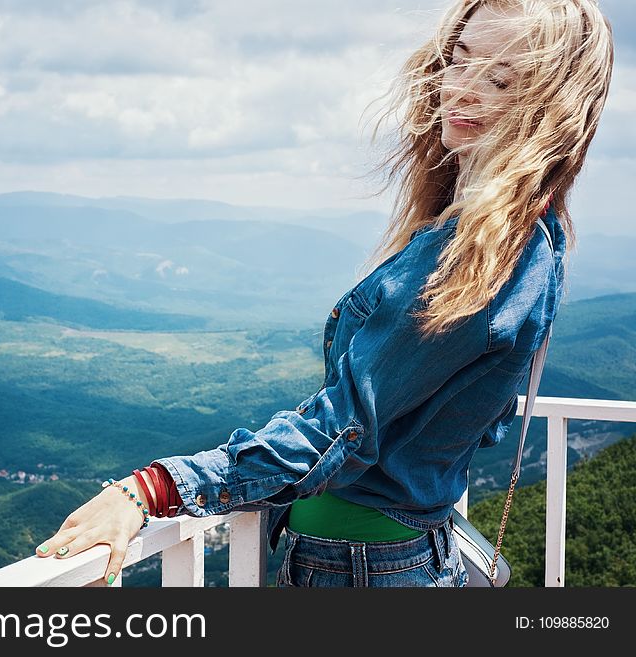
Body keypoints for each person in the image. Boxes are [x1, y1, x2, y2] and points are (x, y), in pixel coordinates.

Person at [34, 0, 614, 587]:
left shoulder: (477, 259)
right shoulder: (534, 239)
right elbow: (472, 410)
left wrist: (148, 491)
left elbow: (337, 430)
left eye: (500, 79)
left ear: (551, 107)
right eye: (459, 62)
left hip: (359, 569)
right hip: (386, 557)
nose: (463, 90)